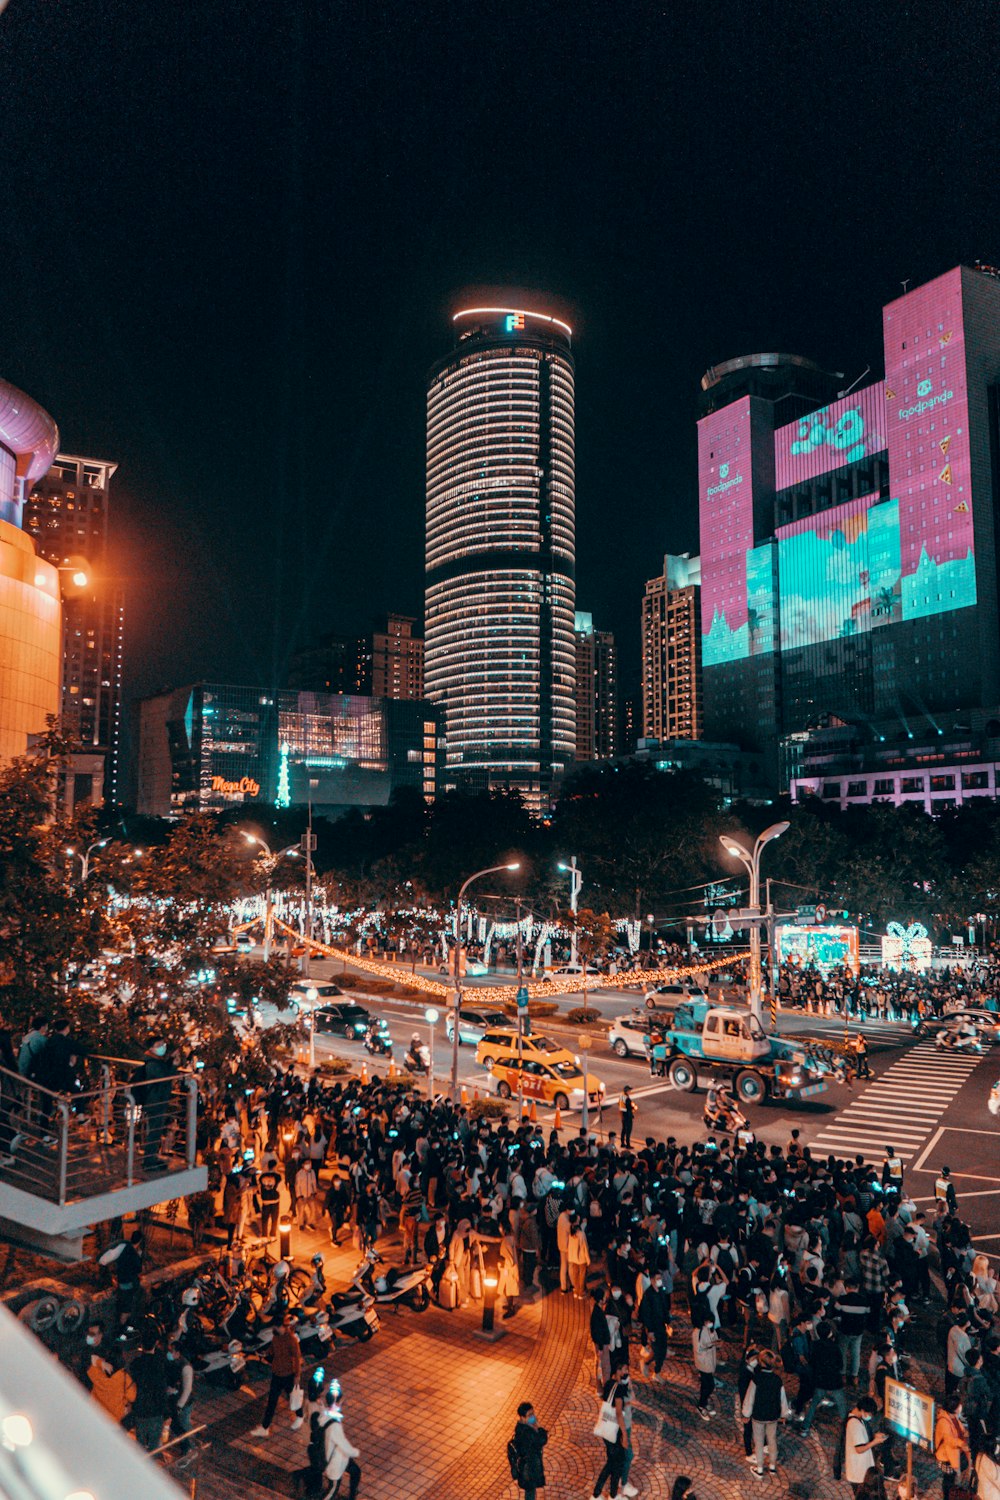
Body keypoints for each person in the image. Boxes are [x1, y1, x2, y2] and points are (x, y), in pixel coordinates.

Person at [251, 1312, 303, 1437]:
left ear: (281, 1327)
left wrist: (297, 1376)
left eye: (275, 1327)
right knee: (272, 1402)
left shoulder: (291, 1340)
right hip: (277, 1374)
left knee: (292, 1396)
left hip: (288, 1375)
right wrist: (266, 1353)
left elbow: (297, 1358)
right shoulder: (276, 1336)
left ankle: (300, 1416)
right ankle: (265, 1427)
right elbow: (273, 1348)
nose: (273, 1329)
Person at [591, 1359, 637, 1500]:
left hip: (607, 1430)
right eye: (624, 1369)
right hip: (615, 1432)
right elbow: (618, 1412)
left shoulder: (609, 1384)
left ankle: (597, 1494)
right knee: (615, 1464)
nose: (626, 1372)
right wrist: (624, 1434)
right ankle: (612, 1496)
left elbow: (611, 1401)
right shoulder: (619, 1388)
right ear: (617, 1371)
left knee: (611, 1463)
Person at [742, 1347, 790, 1478]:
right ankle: (773, 1467)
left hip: (758, 1415)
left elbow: (749, 1398)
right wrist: (784, 1415)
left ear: (761, 1362)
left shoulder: (756, 1379)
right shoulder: (777, 1380)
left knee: (758, 1442)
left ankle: (760, 1469)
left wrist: (746, 1414)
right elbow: (782, 1399)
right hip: (773, 1415)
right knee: (772, 1439)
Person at [129, 1335, 170, 1450]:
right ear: (156, 1343)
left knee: (140, 1439)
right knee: (154, 1440)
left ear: (141, 1346)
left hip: (140, 1407)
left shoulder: (136, 1363)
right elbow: (162, 1389)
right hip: (156, 1409)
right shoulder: (160, 1364)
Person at [321, 1384, 362, 1500]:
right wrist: (354, 1452)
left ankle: (352, 1495)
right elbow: (342, 1443)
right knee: (332, 1489)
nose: (341, 1404)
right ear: (335, 1404)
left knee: (356, 1471)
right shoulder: (334, 1425)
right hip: (335, 1461)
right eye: (339, 1402)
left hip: (340, 1457)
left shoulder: (326, 1415)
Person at [842, 1395, 887, 1494]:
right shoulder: (854, 1424)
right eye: (869, 1414)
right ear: (862, 1410)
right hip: (859, 1472)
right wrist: (875, 1441)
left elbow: (861, 1436)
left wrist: (875, 1436)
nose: (869, 1417)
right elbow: (859, 1449)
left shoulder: (855, 1417)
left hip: (859, 1469)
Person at [935, 1392, 971, 1500]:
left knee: (952, 1477)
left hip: (955, 1453)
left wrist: (964, 1432)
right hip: (947, 1456)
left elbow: (959, 1429)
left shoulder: (953, 1417)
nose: (961, 1406)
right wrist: (962, 1443)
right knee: (948, 1479)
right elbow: (950, 1440)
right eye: (959, 1405)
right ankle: (947, 1496)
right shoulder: (944, 1422)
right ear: (954, 1408)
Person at [511, 1400, 548, 1500]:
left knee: (530, 1491)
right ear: (523, 1418)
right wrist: (539, 1427)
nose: (533, 1416)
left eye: (533, 1413)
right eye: (530, 1415)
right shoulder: (527, 1432)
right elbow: (542, 1440)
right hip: (529, 1468)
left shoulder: (521, 1427)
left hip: (527, 1466)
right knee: (530, 1492)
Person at [692, 1313, 718, 1421]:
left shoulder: (710, 1330)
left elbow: (714, 1338)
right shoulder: (698, 1332)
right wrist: (711, 1345)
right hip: (703, 1363)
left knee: (705, 1384)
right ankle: (701, 1404)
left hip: (709, 1361)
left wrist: (716, 1342)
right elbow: (699, 1349)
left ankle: (704, 1402)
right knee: (710, 1385)